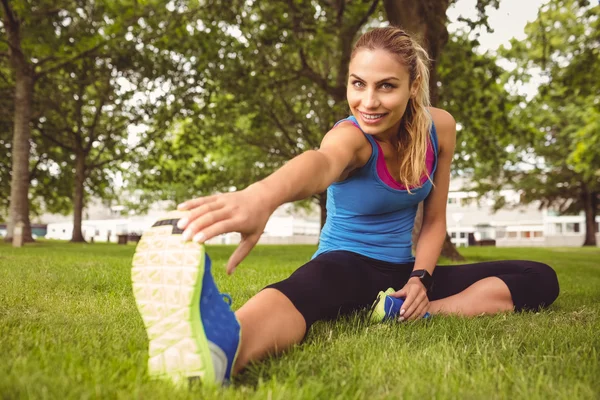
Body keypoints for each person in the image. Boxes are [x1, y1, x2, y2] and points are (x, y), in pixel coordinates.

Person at [131, 27, 560, 386]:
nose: (368, 102)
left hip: (402, 273)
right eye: (358, 83)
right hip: (345, 263)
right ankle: (222, 346)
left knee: (538, 277)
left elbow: (434, 221)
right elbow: (320, 164)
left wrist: (419, 282)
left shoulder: (440, 128)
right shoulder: (351, 138)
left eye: (386, 86)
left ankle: (407, 314)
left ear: (413, 87)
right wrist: (262, 195)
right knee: (308, 290)